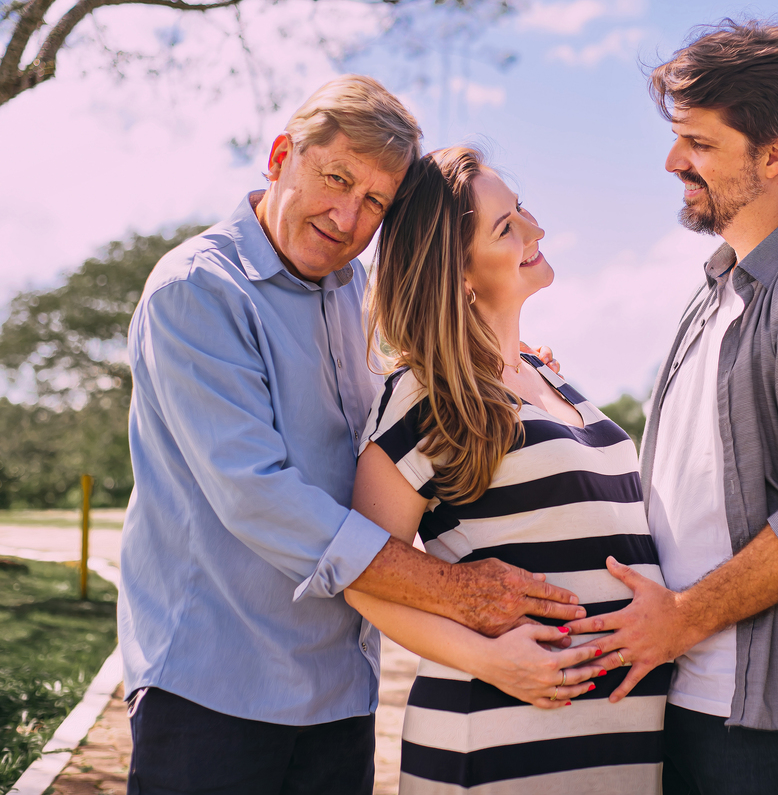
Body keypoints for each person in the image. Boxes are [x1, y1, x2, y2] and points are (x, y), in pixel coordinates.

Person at [120, 76, 586, 795]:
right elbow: (257, 495)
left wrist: (512, 363)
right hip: (212, 693)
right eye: (335, 178)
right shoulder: (197, 291)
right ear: (281, 156)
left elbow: (420, 404)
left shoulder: (359, 297)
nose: (347, 215)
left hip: (339, 696)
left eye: (375, 202)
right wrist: (456, 591)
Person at [564, 19, 778, 794]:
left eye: (699, 143)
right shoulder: (718, 284)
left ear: (775, 153)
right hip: (694, 691)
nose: (673, 160)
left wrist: (683, 617)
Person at [344, 146, 671, 794]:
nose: (536, 229)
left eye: (521, 210)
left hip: (617, 750)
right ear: (458, 272)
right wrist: (490, 658)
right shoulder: (426, 392)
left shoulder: (551, 375)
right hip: (497, 741)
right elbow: (362, 573)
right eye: (506, 226)